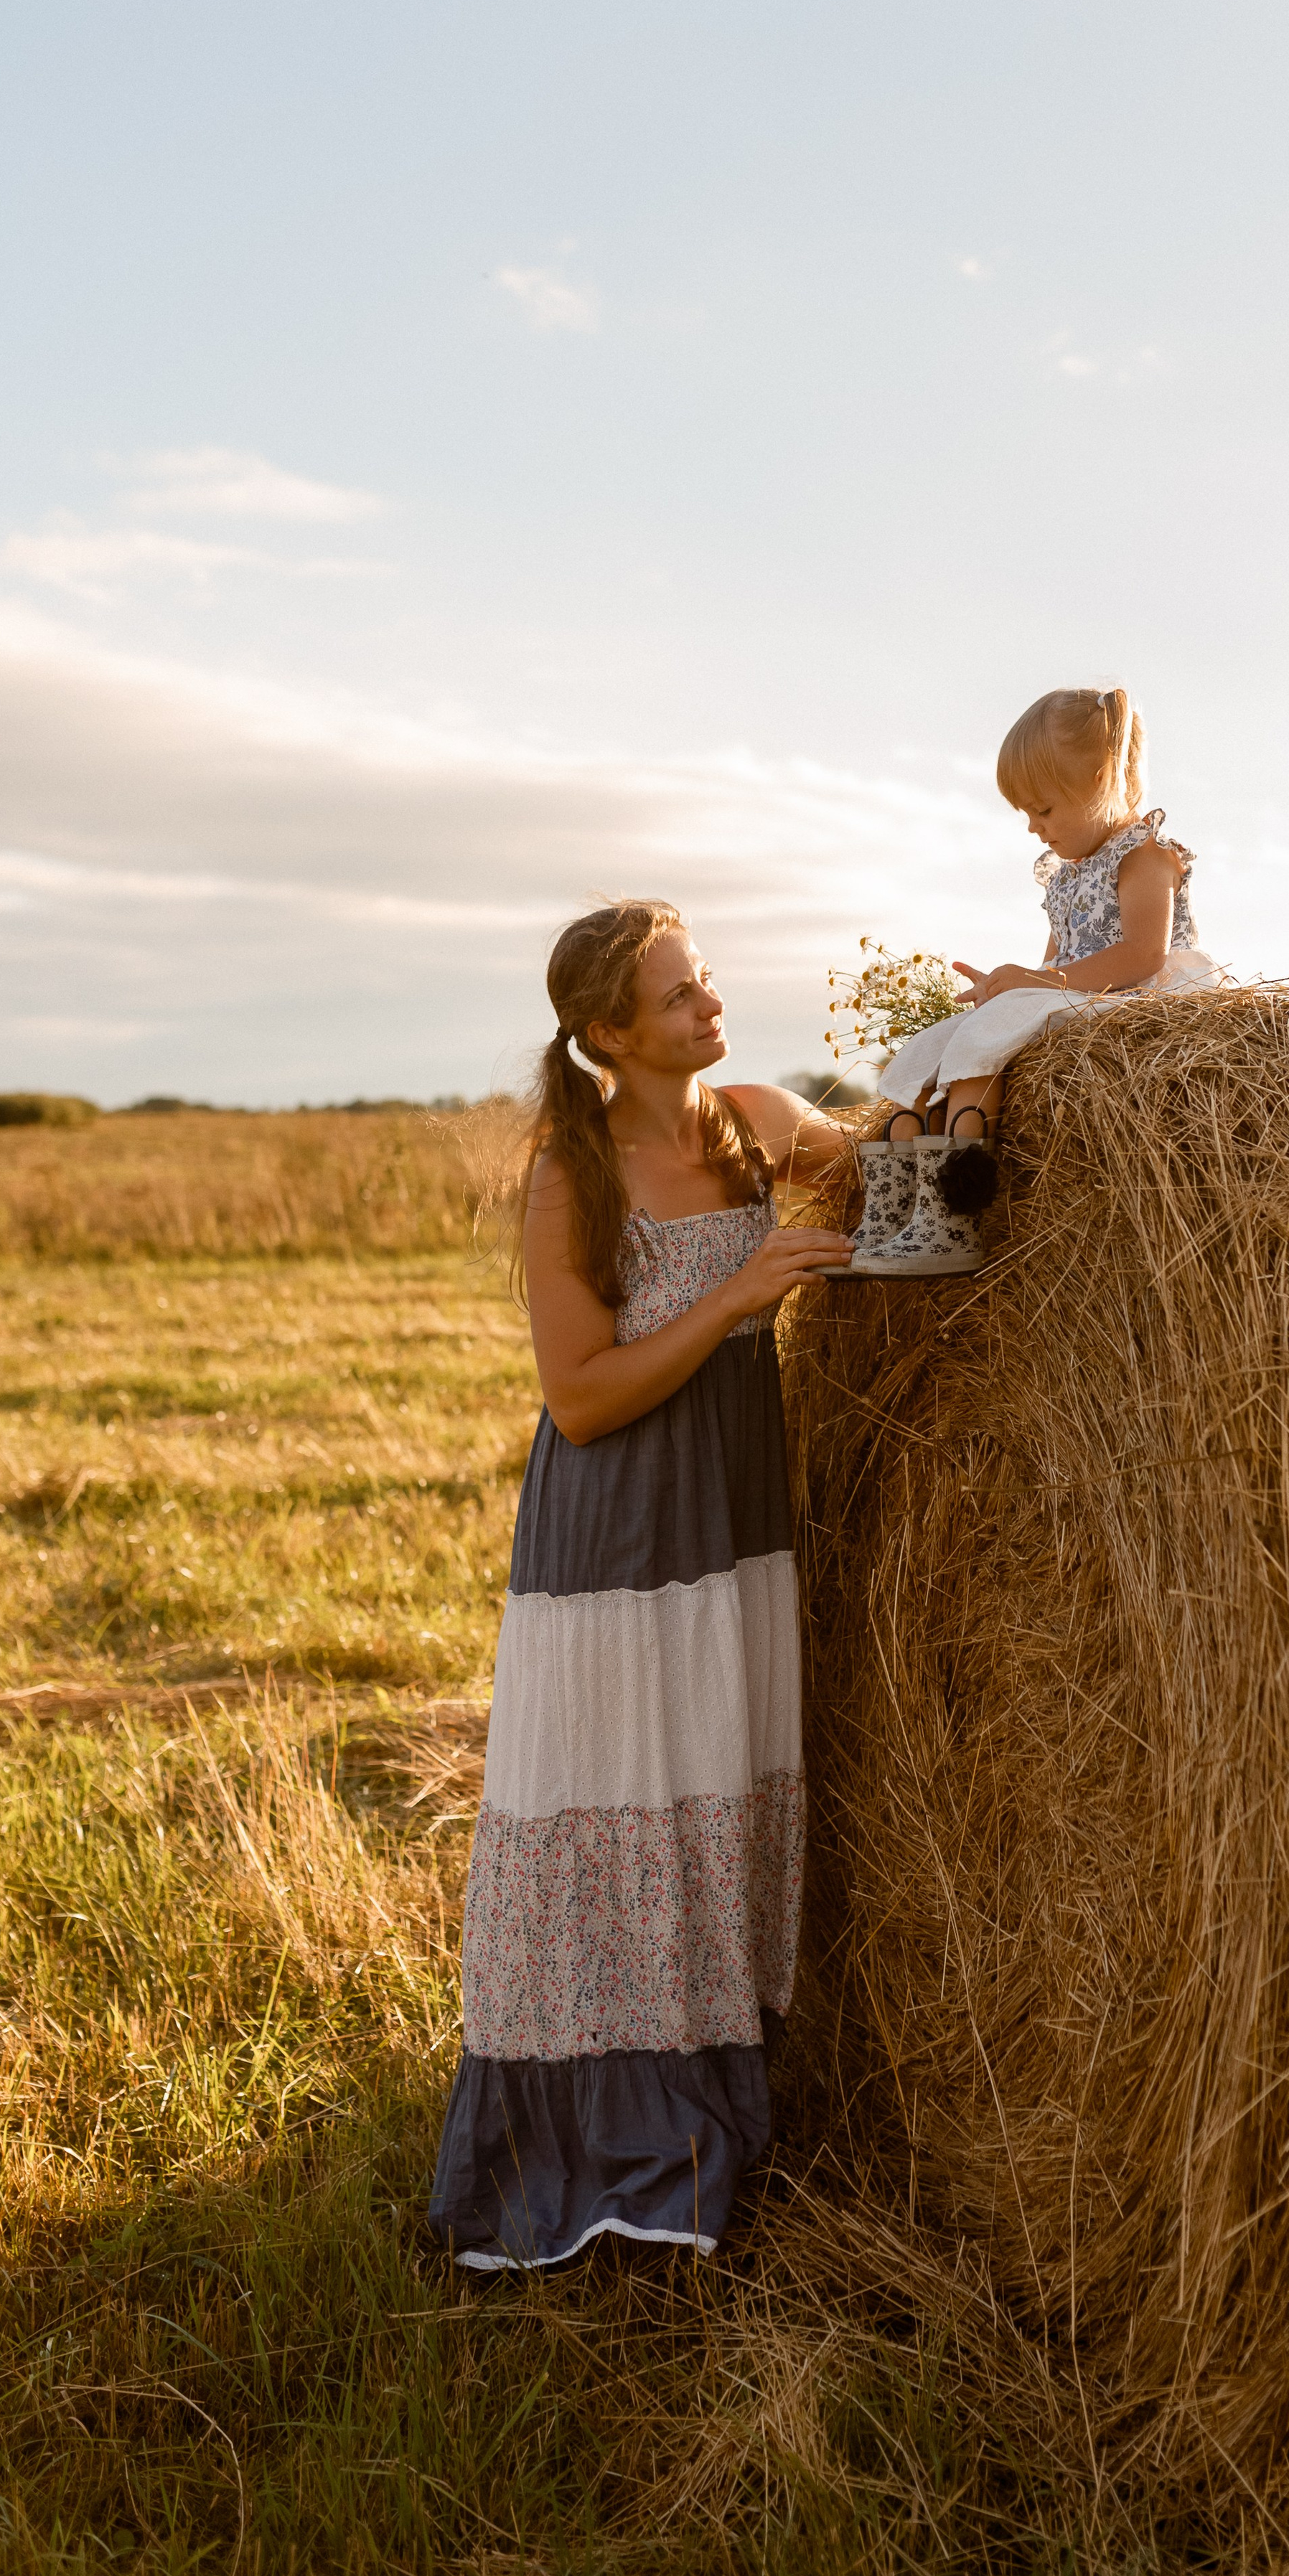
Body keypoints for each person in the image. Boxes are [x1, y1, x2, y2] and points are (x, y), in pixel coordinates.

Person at [429, 899, 853, 2270]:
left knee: (718, 1788)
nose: (710, 1005)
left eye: (706, 981)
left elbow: (909, 1170)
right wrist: (736, 1298)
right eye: (679, 996)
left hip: (738, 1518)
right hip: (617, 1537)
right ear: (609, 1033)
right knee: (623, 1802)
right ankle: (606, 2127)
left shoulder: (760, 1123)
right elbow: (582, 1397)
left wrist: (1000, 1039)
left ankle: (724, 2087)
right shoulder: (576, 1173)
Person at [838, 687, 1225, 1276]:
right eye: (1025, 813)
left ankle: (953, 1218)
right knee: (935, 1044)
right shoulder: (1066, 874)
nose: (1032, 827)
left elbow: (1144, 956)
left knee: (989, 1032)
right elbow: (1053, 965)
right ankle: (897, 1210)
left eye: (1043, 810)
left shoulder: (1144, 855)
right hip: (1079, 994)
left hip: (1137, 999)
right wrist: (1007, 987)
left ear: (1100, 780)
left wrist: (1029, 987)